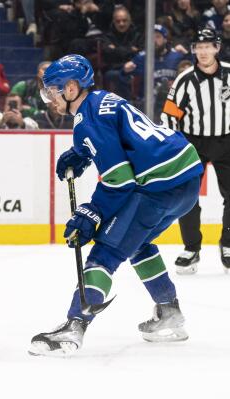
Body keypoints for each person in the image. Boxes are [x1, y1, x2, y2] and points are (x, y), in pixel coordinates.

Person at [29, 54, 203, 355]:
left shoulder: (87, 120)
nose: (49, 99)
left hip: (158, 185)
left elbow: (120, 181)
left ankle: (74, 327)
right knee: (136, 242)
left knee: (105, 251)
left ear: (71, 88)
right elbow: (119, 139)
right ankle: (169, 313)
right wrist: (83, 152)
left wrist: (91, 212)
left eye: (52, 91)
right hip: (186, 179)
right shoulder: (101, 98)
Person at [160, 29, 230, 274]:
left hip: (227, 142)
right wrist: (175, 146)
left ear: (216, 48)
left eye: (207, 46)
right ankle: (191, 248)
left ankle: (228, 246)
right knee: (187, 197)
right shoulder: (185, 79)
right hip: (192, 144)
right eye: (198, 47)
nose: (202, 51)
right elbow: (169, 115)